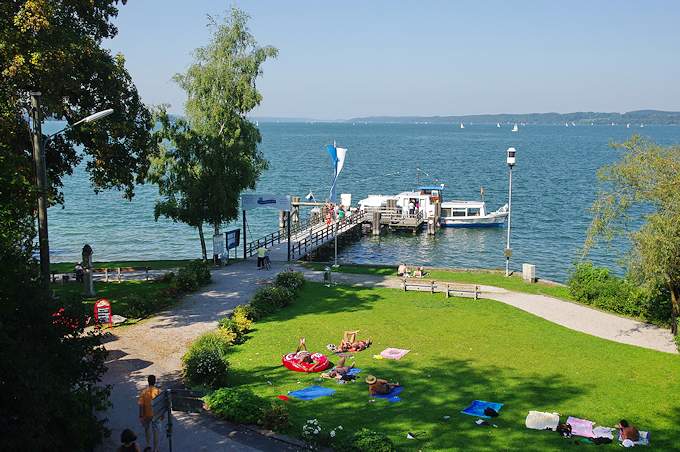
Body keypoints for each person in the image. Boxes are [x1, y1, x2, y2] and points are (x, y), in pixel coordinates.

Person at [138, 375, 162, 452]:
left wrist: (141, 416)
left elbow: (141, 405)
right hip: (156, 415)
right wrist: (162, 415)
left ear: (148, 382)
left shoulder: (144, 392)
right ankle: (155, 449)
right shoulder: (158, 391)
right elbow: (161, 404)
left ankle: (148, 445)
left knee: (147, 430)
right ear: (155, 382)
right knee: (156, 432)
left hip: (146, 415)